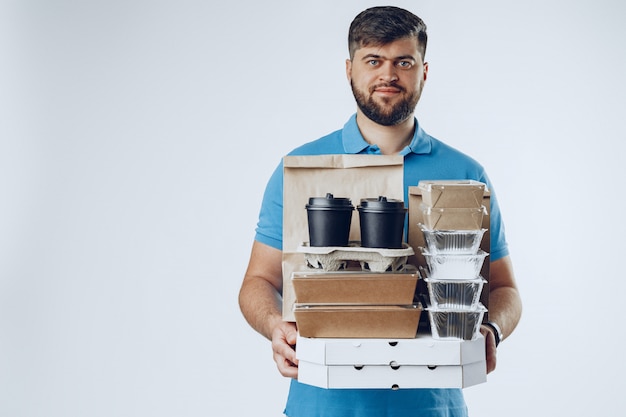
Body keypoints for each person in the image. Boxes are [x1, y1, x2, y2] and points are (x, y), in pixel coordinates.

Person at [239, 6, 522, 417]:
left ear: (424, 71)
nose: (388, 75)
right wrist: (274, 327)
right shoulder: (301, 168)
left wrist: (491, 329)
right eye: (374, 60)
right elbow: (257, 281)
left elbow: (504, 287)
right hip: (323, 406)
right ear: (350, 69)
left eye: (403, 62)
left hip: (432, 406)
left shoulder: (465, 173)